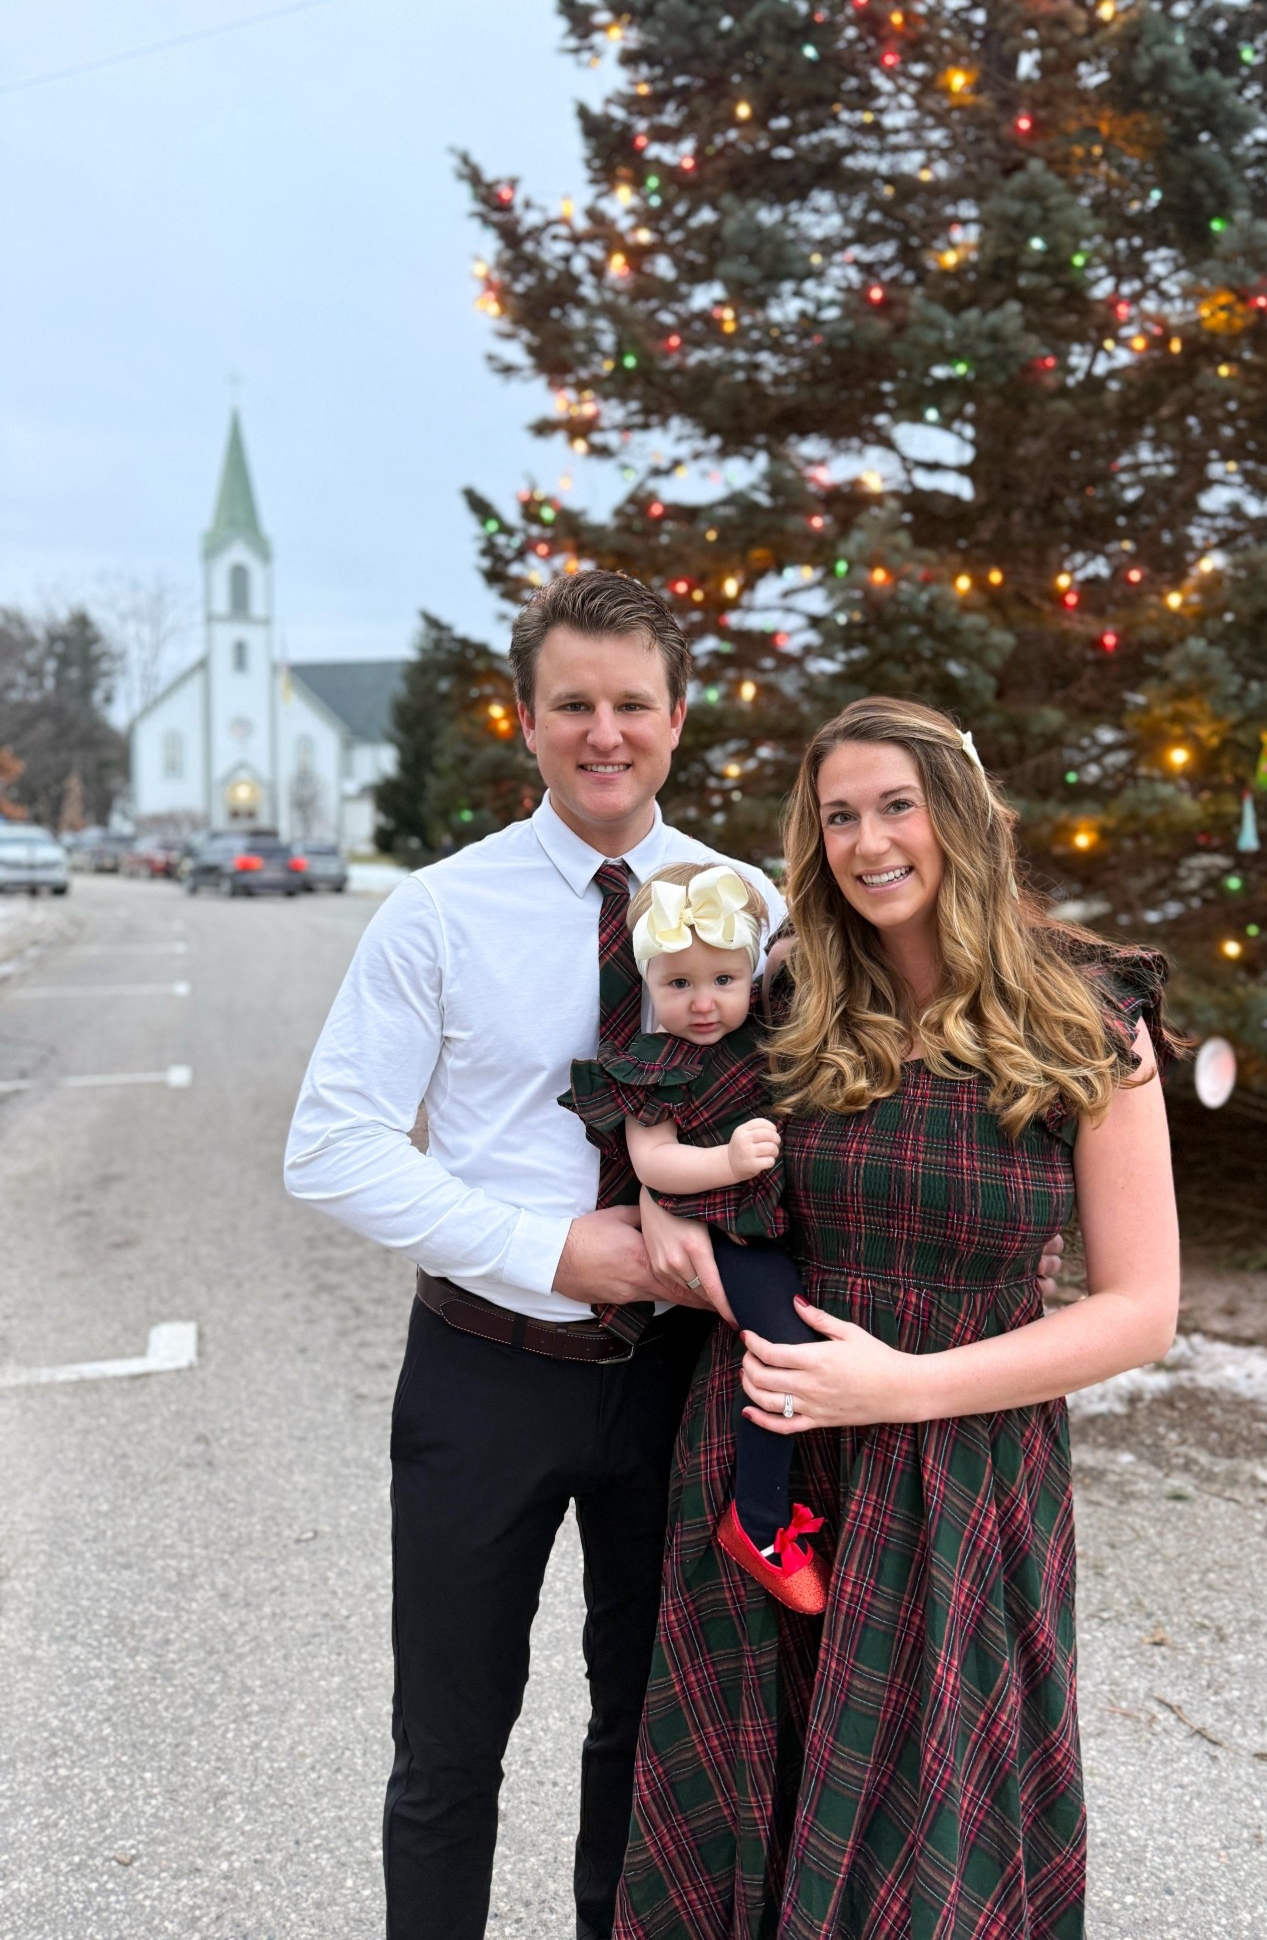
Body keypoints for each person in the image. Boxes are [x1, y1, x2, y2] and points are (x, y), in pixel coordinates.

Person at [616, 696, 1182, 1940]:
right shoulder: (782, 1000)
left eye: (897, 805)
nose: (869, 841)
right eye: (837, 817)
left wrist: (905, 1386)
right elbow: (661, 1147)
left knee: (938, 1848)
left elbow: (1143, 1311)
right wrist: (671, 1223)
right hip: (772, 1461)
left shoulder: (1089, 1020)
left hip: (969, 1473)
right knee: (748, 1813)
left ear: (961, 816)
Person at [282, 571, 784, 1940]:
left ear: (681, 719)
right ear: (526, 719)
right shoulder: (440, 913)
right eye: (574, 704)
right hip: (485, 1373)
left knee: (648, 1741)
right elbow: (330, 1146)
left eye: (633, 703)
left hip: (684, 1383)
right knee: (447, 1753)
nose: (603, 732)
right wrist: (550, 1249)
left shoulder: (758, 910)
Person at [559, 860, 831, 1616]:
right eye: (678, 985)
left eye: (722, 980)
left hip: (786, 1222)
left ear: (750, 976)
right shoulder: (653, 1069)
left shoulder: (767, 1036)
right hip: (731, 1233)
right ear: (649, 983)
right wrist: (726, 1160)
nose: (703, 1003)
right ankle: (761, 1522)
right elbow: (653, 1162)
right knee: (785, 1347)